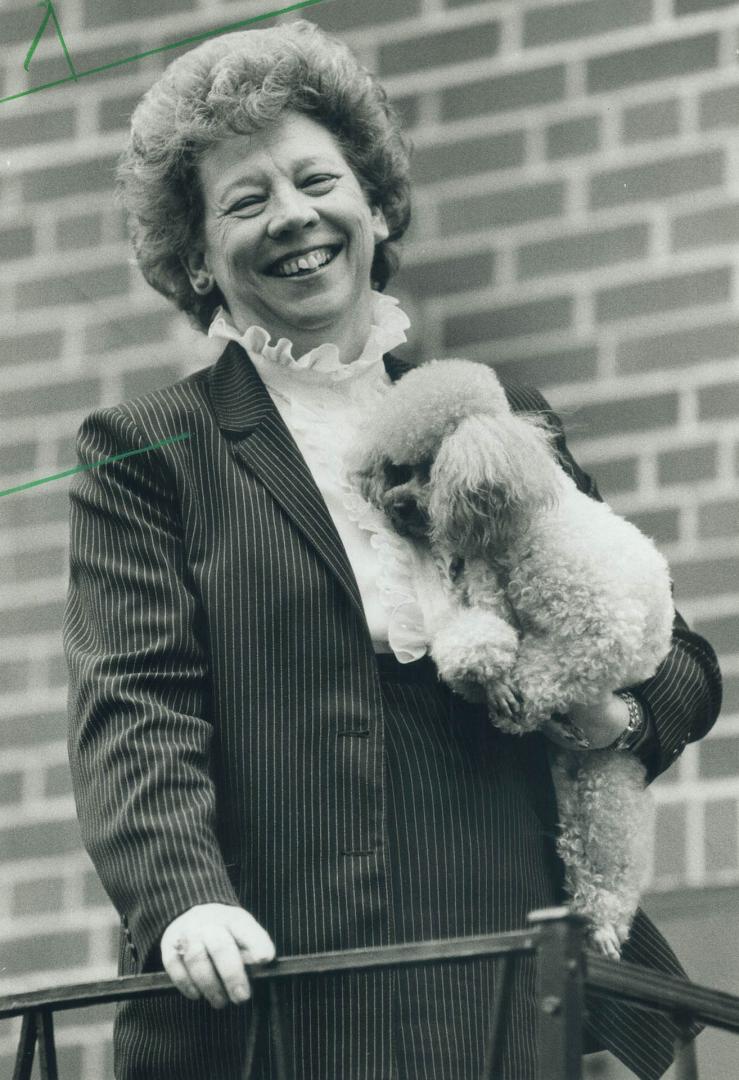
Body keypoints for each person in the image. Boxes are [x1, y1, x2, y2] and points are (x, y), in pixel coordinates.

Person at [63, 20, 722, 1080]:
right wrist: (183, 896)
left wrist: (618, 715)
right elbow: (135, 705)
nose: (294, 218)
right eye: (245, 200)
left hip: (520, 974)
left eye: (317, 180)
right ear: (195, 257)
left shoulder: (502, 415)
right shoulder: (151, 453)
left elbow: (676, 658)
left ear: (373, 203)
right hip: (298, 995)